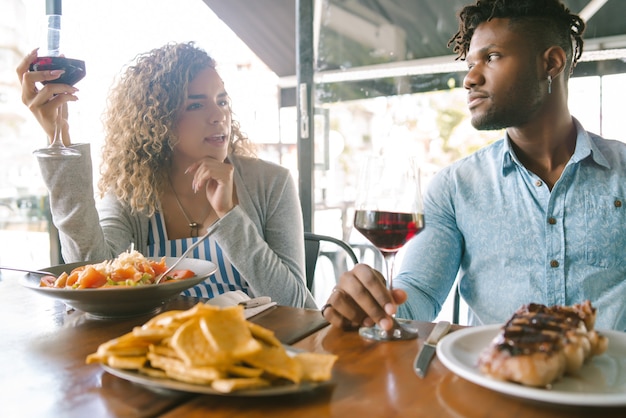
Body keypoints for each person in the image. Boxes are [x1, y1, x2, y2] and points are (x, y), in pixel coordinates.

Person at [322, 0, 626, 332]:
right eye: (469, 63)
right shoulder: (454, 186)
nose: (469, 78)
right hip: (491, 377)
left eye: (492, 57)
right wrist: (371, 306)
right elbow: (418, 296)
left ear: (550, 63)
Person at [17, 41, 316, 308]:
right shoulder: (132, 189)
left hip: (253, 351)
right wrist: (61, 138)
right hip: (159, 355)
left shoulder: (272, 184)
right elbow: (96, 272)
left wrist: (228, 215)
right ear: (159, 120)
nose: (218, 115)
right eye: (196, 104)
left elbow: (297, 304)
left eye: (222, 101)